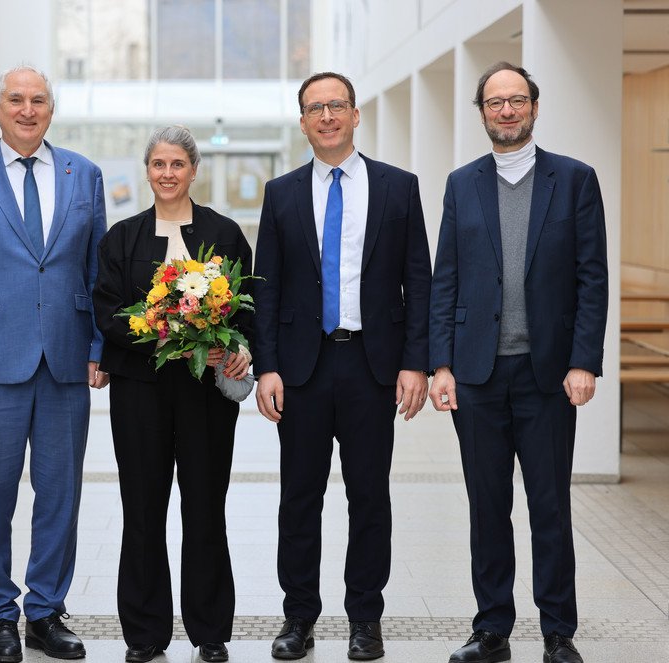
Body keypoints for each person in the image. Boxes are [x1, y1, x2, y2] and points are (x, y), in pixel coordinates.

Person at [428, 62, 608, 663]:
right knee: (487, 506)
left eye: (517, 100)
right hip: (476, 374)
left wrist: (584, 361)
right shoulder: (462, 184)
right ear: (481, 112)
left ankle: (558, 631)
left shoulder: (575, 180)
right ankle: (492, 630)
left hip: (548, 374)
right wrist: (441, 366)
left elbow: (591, 279)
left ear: (534, 106)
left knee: (549, 505)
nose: (506, 110)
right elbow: (444, 280)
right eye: (495, 102)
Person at [0, 65, 108, 663]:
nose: (27, 110)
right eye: (15, 100)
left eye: (38, 101)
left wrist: (98, 348)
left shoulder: (85, 174)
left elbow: (96, 274)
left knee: (60, 495)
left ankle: (46, 612)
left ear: (51, 109)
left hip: (64, 364)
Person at [252, 72, 432, 661]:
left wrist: (416, 364)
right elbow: (267, 288)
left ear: (355, 115)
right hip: (301, 370)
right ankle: (298, 617)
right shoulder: (279, 194)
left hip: (372, 366)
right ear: (301, 121)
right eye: (314, 108)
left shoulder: (399, 188)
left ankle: (365, 620)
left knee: (369, 498)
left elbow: (419, 283)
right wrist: (267, 368)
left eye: (336, 106)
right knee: (298, 499)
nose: (326, 116)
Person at [92, 126, 253, 663]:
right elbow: (109, 312)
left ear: (193, 170)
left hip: (205, 395)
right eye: (158, 164)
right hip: (140, 392)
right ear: (147, 170)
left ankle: (210, 633)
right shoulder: (122, 237)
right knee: (142, 509)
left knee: (206, 507)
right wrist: (169, 338)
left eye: (177, 164)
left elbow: (250, 307)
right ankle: (144, 634)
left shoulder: (225, 234)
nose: (167, 174)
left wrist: (231, 347)